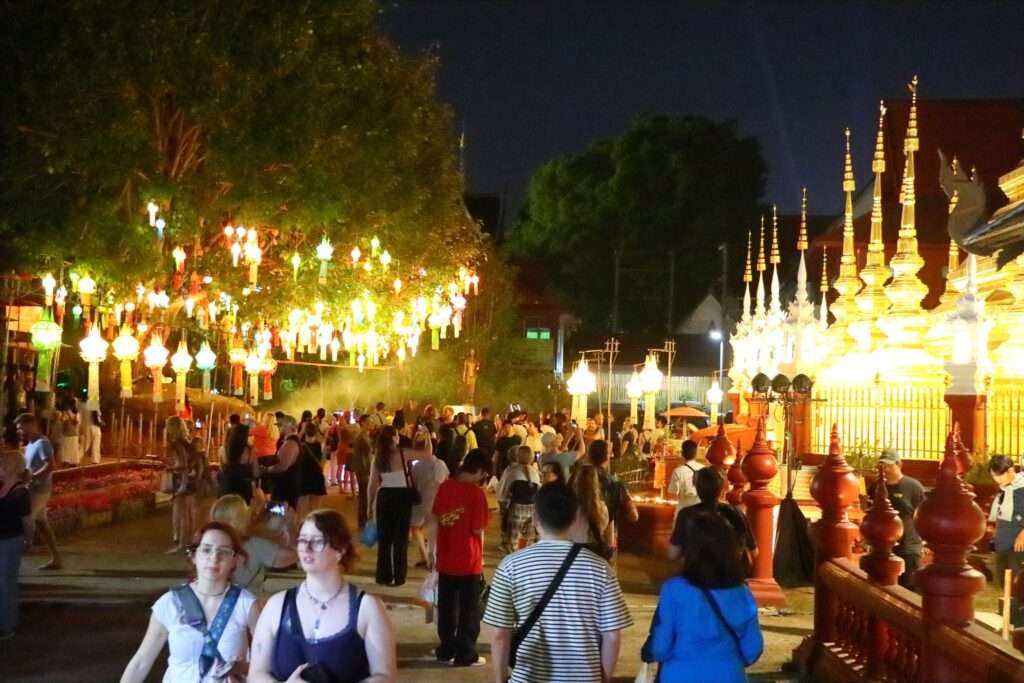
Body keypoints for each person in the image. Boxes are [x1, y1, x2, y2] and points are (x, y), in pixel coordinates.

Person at [483, 483, 632, 683]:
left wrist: (501, 680)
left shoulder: (511, 566)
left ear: (535, 517)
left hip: (528, 677)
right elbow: (612, 635)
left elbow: (500, 634)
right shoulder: (600, 569)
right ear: (575, 517)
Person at [249, 509, 397, 683]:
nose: (307, 548)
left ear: (340, 550)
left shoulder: (367, 608)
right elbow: (256, 673)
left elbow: (385, 676)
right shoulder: (276, 606)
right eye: (303, 540)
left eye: (317, 541)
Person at [120, 522, 259, 683]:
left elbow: (267, 666)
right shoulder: (170, 603)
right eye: (206, 550)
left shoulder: (246, 605)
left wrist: (243, 669)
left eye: (224, 552)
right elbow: (141, 663)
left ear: (235, 560)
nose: (214, 558)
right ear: (193, 556)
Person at [641, 510, 764, 682]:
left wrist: (647, 651)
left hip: (681, 675)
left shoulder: (674, 589)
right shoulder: (742, 592)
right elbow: (753, 649)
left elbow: (661, 648)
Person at [431, 448, 491, 666]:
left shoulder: (445, 487)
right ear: (480, 471)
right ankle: (465, 652)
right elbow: (478, 530)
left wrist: (431, 552)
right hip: (468, 559)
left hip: (446, 556)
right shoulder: (476, 494)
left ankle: (446, 648)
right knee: (469, 608)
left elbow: (435, 519)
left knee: (446, 605)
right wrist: (481, 558)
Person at [668, 467, 757, 574]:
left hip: (696, 576)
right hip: (729, 578)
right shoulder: (735, 513)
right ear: (721, 489)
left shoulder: (686, 514)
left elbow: (672, 555)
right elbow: (754, 552)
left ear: (697, 488)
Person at [210, 494, 297, 595]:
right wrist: (291, 526)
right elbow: (292, 556)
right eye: (246, 512)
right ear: (240, 519)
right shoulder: (253, 545)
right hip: (245, 602)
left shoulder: (209, 542)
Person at [867, 449, 925, 590]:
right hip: (882, 545)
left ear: (899, 464)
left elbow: (922, 514)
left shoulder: (913, 487)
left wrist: (923, 541)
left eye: (889, 466)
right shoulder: (876, 487)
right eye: (882, 466)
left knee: (909, 587)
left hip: (908, 545)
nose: (885, 469)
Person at [367, 425, 415, 586]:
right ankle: (399, 576)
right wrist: (427, 437)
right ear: (394, 438)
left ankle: (383, 575)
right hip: (401, 497)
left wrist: (369, 504)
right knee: (400, 540)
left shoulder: (378, 456)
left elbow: (372, 483)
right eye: (397, 435)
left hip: (385, 496)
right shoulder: (403, 453)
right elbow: (427, 454)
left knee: (385, 540)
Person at [16, 413, 62, 570]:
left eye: (21, 427)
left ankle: (25, 545)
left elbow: (50, 465)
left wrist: (33, 477)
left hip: (39, 489)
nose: (19, 431)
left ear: (31, 425)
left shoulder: (42, 443)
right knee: (42, 523)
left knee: (25, 518)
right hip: (35, 488)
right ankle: (56, 558)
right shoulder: (30, 444)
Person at [588, 439, 639, 562]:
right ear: (607, 457)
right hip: (607, 536)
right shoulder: (616, 483)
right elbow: (634, 515)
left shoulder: (577, 480)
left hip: (581, 537)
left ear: (589, 456)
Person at [988, 455, 1024, 625]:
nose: (996, 480)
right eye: (994, 476)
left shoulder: (1022, 487)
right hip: (1003, 540)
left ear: (1010, 471)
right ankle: (1010, 620)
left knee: (1019, 583)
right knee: (1004, 581)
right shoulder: (1003, 489)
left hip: (1018, 543)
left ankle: (1020, 624)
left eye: (999, 476)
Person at [0, 451, 31, 639]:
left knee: (7, 583)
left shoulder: (20, 492)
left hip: (11, 540)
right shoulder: (3, 486)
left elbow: (27, 521)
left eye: (3, 464)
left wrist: (29, 539)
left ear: (11, 467)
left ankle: (8, 625)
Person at [409, 429, 449, 569]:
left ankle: (425, 557)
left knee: (415, 528)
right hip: (435, 502)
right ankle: (433, 560)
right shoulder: (440, 464)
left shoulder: (416, 466)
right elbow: (444, 482)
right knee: (433, 533)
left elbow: (411, 483)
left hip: (419, 501)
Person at [165, 415, 204, 554]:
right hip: (190, 479)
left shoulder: (177, 443)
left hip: (182, 480)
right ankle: (190, 541)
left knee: (182, 513)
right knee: (188, 513)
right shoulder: (187, 442)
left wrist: (171, 467)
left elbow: (182, 463)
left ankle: (182, 544)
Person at [497, 445, 541, 553]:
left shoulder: (512, 472)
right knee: (528, 540)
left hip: (516, 509)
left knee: (513, 542)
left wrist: (503, 509)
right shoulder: (536, 472)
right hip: (531, 510)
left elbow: (503, 493)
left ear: (517, 456)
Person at [568, 464, 613, 559]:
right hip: (593, 557)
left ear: (575, 482)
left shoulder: (567, 508)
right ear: (596, 484)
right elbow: (610, 542)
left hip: (570, 556)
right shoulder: (603, 508)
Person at [263, 416, 302, 512]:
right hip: (287, 488)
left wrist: (266, 469)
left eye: (281, 426)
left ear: (288, 427)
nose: (279, 428)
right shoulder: (291, 442)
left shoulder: (290, 443)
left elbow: (282, 466)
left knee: (277, 519)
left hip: (284, 489)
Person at [220, 418, 257, 504]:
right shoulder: (250, 451)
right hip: (243, 488)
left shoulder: (223, 449)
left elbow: (221, 469)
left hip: (227, 487)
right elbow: (256, 473)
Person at [296, 421, 328, 519]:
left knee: (303, 512)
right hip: (316, 477)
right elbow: (322, 464)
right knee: (315, 510)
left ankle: (303, 529)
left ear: (304, 432)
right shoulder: (321, 445)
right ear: (315, 432)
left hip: (303, 478)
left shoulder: (299, 446)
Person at [667, 440, 705, 512]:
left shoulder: (678, 471)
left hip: (683, 509)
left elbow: (672, 492)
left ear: (682, 453)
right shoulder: (704, 469)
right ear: (696, 453)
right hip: (700, 510)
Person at [350, 415, 373, 529]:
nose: (370, 424)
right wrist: (366, 471)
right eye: (368, 422)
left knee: (365, 496)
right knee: (364, 496)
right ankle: (362, 521)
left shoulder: (365, 436)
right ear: (363, 423)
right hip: (363, 470)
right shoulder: (360, 437)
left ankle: (363, 520)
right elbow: (360, 457)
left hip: (365, 469)